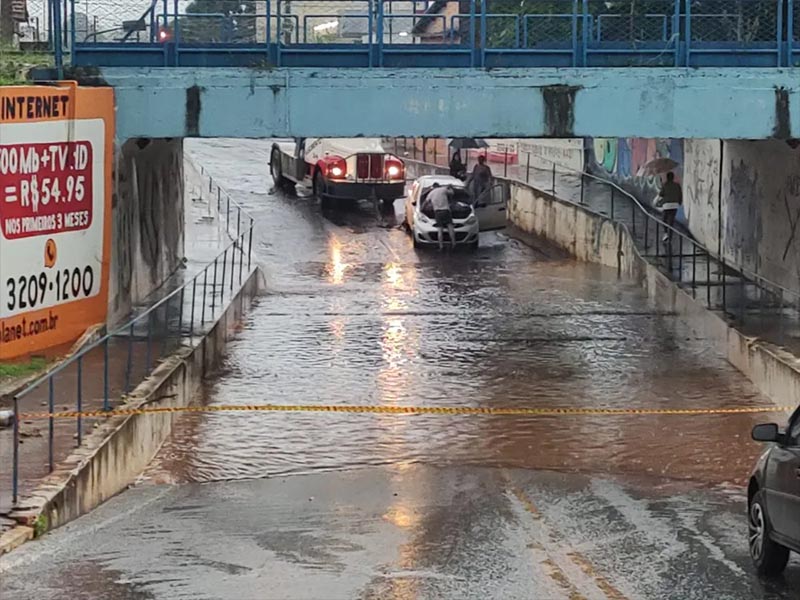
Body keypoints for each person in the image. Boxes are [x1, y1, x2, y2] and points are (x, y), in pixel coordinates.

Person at [428, 183, 456, 250]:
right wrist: (450, 188)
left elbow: (426, 202)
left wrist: (422, 209)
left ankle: (441, 246)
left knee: (440, 230)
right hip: (446, 211)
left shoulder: (431, 193)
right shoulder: (443, 189)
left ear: (433, 187)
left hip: (437, 212)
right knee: (450, 228)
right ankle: (454, 244)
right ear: (439, 186)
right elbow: (452, 193)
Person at [656, 172, 682, 243]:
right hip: (675, 205)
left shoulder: (665, 185)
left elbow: (661, 194)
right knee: (671, 220)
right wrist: (679, 202)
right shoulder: (677, 185)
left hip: (666, 205)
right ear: (673, 177)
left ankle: (666, 233)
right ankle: (669, 237)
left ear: (667, 178)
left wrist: (656, 201)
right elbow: (680, 194)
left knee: (664, 219)